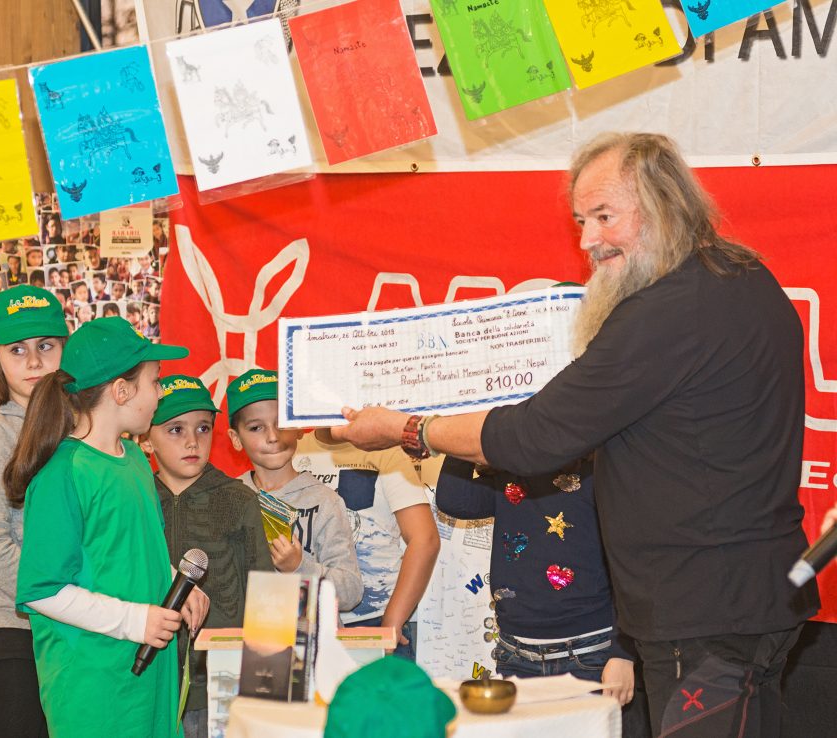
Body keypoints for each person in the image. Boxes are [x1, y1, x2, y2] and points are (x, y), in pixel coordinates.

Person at [333, 132, 819, 737]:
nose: (588, 240)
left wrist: (408, 428)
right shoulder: (743, 277)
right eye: (581, 221)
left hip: (705, 612)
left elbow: (533, 438)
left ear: (663, 205)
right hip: (757, 595)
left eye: (605, 216)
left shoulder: (665, 312)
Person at [9, 317, 208, 738]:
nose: (160, 392)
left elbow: (136, 549)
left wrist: (177, 584)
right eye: (155, 381)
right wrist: (135, 621)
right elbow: (42, 589)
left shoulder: (134, 459)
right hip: (94, 683)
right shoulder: (63, 473)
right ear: (121, 391)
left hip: (149, 674)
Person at [435, 455, 635, 707]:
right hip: (516, 655)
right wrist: (464, 441)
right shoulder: (508, 477)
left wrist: (623, 652)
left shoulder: (595, 473)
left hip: (590, 655)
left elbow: (631, 568)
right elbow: (454, 500)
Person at [0, 285, 69, 738]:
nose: (34, 361)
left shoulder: (79, 424)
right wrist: (65, 596)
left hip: (69, 623)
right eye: (17, 350)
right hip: (9, 630)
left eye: (46, 345)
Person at [145, 374, 273, 738]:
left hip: (219, 688)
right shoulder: (136, 500)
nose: (192, 441)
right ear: (145, 439)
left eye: (203, 428)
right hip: (148, 682)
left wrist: (265, 685)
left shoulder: (238, 500)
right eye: (175, 430)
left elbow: (266, 596)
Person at [294, 427, 439, 660]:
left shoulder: (383, 450)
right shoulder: (292, 450)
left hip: (374, 623)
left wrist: (392, 622)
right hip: (304, 625)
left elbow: (425, 539)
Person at [226, 369, 363, 611]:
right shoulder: (227, 500)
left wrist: (299, 567)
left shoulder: (325, 501)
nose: (272, 436)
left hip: (310, 634)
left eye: (281, 423)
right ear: (236, 438)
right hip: (246, 634)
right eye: (256, 427)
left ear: (298, 426)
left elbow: (351, 591)